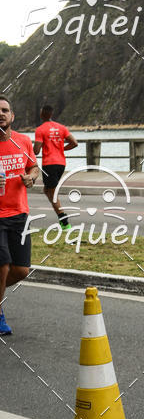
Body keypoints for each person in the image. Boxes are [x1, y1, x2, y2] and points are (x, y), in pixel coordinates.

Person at [0, 95, 40, 335]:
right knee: (2, 265)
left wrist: (31, 177)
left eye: (5, 110)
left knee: (22, 269)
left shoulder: (23, 141)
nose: (1, 113)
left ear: (12, 116)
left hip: (19, 213)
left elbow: (33, 167)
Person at [33, 104, 78, 229]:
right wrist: (61, 149)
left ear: (42, 115)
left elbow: (36, 151)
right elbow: (74, 143)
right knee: (47, 190)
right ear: (52, 114)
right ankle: (61, 217)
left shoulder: (40, 129)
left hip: (49, 164)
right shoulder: (62, 128)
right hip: (61, 164)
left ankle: (64, 221)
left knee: (51, 192)